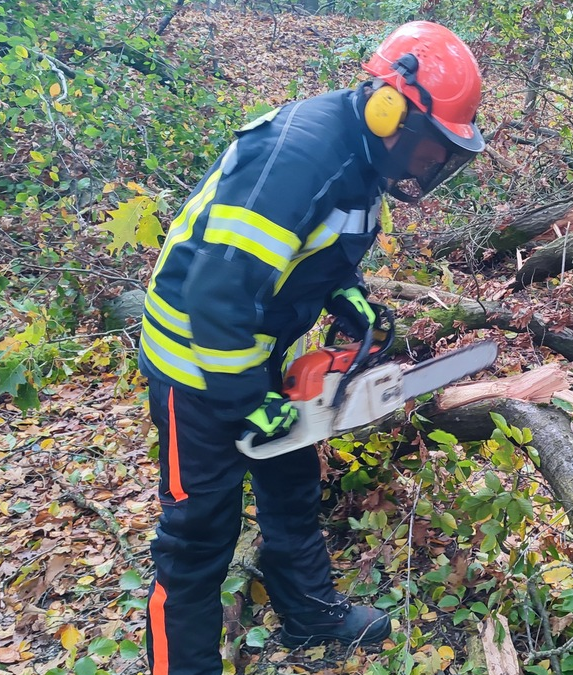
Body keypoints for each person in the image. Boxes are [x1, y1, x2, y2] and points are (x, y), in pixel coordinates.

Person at [137, 21, 485, 675]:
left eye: (439, 155)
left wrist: (347, 297)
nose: (426, 165)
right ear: (389, 106)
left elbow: (313, 251)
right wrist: (248, 402)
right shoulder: (299, 159)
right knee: (198, 534)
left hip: (254, 346)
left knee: (291, 482)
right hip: (195, 358)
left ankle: (307, 614)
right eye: (426, 147)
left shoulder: (362, 158)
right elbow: (216, 294)